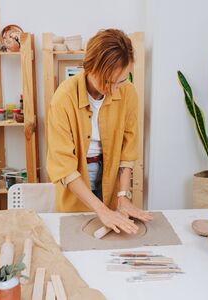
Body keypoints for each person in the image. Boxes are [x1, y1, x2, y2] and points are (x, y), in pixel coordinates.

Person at [47, 29, 153, 234]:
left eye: (121, 80)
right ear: (89, 67)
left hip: (111, 180)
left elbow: (127, 153)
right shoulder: (63, 99)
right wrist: (101, 210)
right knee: (78, 237)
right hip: (76, 184)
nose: (114, 90)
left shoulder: (129, 93)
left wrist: (123, 196)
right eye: (107, 82)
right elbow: (64, 167)